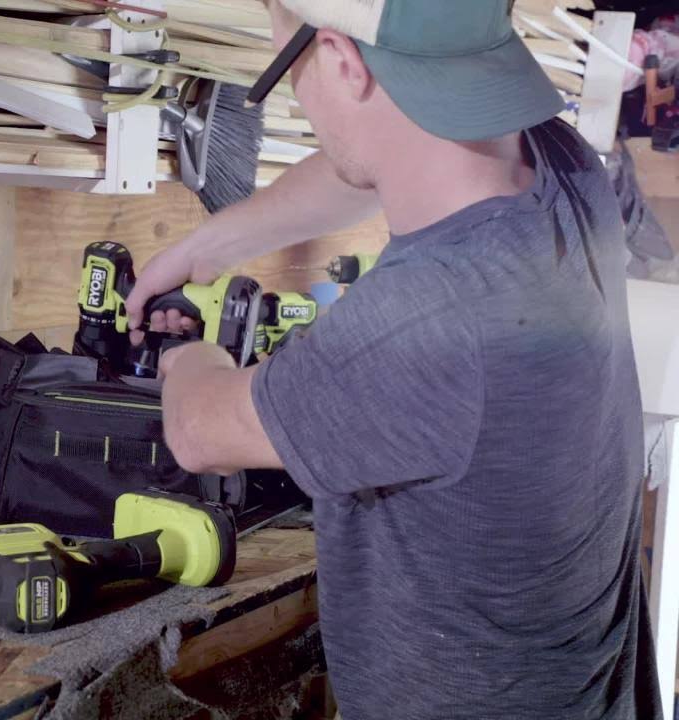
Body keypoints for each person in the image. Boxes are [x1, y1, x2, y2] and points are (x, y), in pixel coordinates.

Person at [125, 1, 665, 718]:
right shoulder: (562, 168)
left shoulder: (432, 312)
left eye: (288, 69)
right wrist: (208, 247)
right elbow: (374, 157)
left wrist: (188, 353)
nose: (299, 96)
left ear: (344, 62)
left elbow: (202, 433)